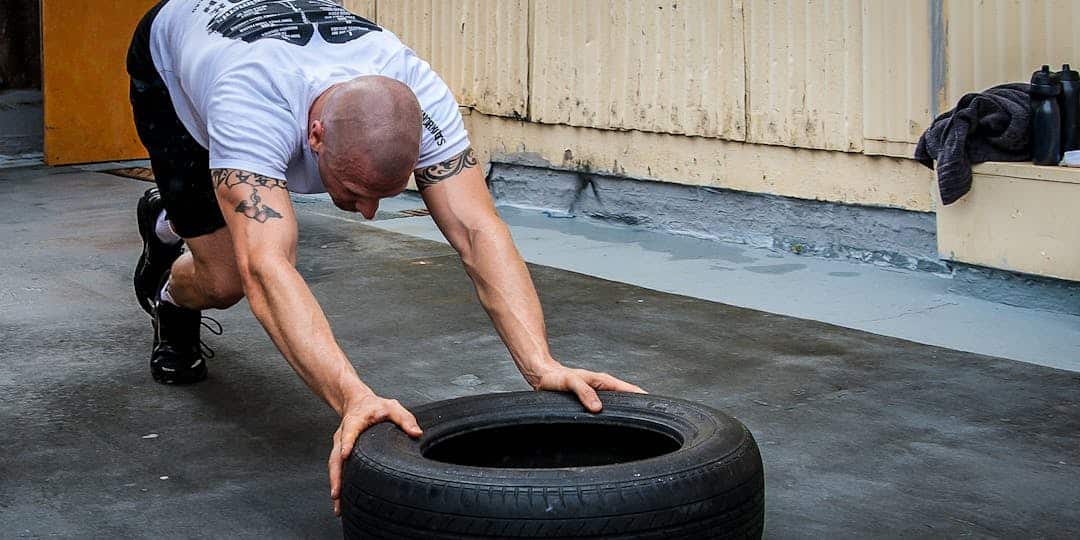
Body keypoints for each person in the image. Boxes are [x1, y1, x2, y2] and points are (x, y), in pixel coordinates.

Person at [126, 0, 645, 516]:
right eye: (355, 191)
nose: (369, 214)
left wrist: (542, 365)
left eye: (387, 195)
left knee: (233, 250)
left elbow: (477, 230)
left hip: (272, 51)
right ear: (315, 136)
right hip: (175, 61)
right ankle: (172, 279)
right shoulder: (249, 105)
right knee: (228, 279)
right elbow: (268, 269)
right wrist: (353, 397)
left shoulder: (421, 94)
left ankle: (180, 223)